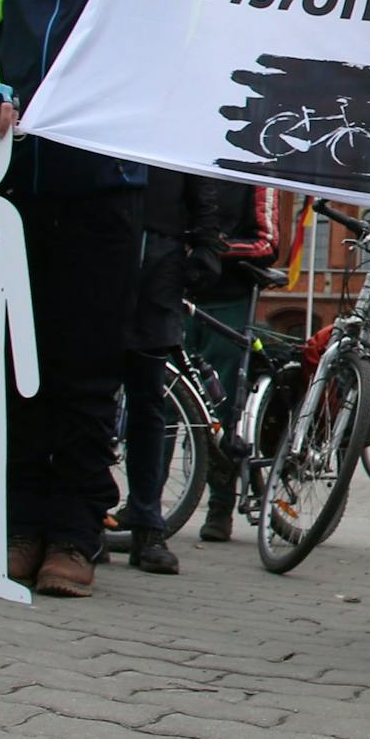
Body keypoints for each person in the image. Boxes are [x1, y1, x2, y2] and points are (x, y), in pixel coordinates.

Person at [0, 0, 147, 598]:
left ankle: (76, 534)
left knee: (87, 373)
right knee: (19, 367)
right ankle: (19, 525)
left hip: (102, 191)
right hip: (17, 190)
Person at [119, 167, 222, 574]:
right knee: (90, 390)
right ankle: (80, 521)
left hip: (160, 253)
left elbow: (195, 167)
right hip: (101, 238)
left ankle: (147, 525)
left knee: (147, 396)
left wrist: (207, 242)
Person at [189, 180, 279, 543]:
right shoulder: (182, 156)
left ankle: (220, 506)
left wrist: (209, 248)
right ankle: (145, 504)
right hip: (179, 289)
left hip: (229, 298)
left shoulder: (254, 169)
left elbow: (267, 242)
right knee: (159, 401)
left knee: (221, 405)